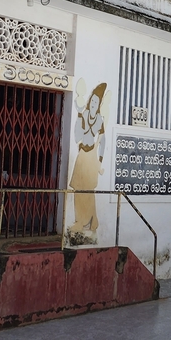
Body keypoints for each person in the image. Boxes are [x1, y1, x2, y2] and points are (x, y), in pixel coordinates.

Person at [69, 83, 106, 239]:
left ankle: (91, 221)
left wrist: (100, 161)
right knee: (78, 189)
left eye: (96, 102)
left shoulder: (99, 120)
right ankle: (79, 221)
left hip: (91, 157)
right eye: (92, 101)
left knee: (89, 191)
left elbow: (103, 141)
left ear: (98, 105)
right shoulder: (83, 115)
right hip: (82, 154)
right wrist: (78, 116)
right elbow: (77, 137)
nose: (93, 104)